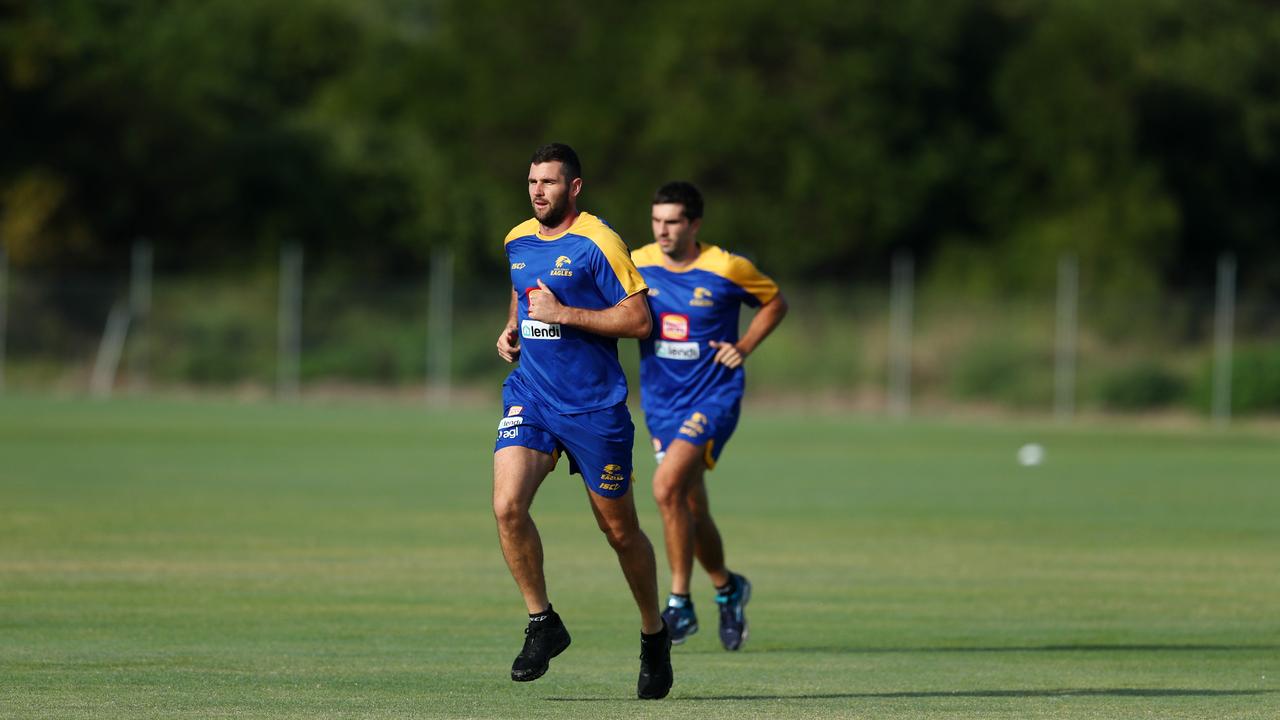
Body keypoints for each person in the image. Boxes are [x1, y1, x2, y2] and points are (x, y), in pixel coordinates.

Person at [492, 143, 673, 699]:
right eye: (531, 182)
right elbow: (524, 297)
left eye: (548, 182)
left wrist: (564, 314)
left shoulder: (600, 241)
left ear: (574, 187)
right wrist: (513, 329)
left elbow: (640, 319)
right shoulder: (517, 239)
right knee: (507, 505)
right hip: (532, 398)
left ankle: (653, 633)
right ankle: (543, 623)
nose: (537, 191)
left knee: (618, 532)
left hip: (594, 409)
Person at [632, 181, 788, 651]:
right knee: (690, 507)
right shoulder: (637, 263)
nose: (663, 230)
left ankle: (679, 602)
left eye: (673, 221)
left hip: (713, 398)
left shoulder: (726, 267)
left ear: (694, 224)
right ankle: (727, 587)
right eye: (657, 221)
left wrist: (743, 347)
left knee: (664, 489)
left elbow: (775, 302)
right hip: (661, 404)